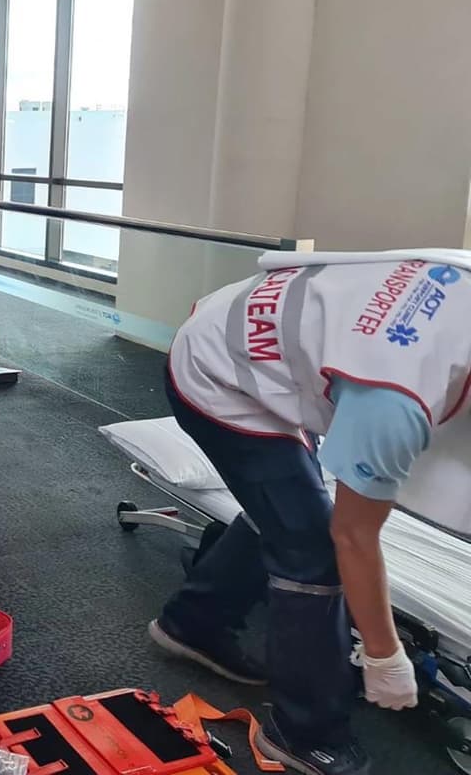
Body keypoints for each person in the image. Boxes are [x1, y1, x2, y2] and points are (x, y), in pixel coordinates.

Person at [145, 252, 471, 775]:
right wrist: (385, 657)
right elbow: (353, 538)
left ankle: (192, 622)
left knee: (285, 505)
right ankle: (306, 733)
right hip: (218, 372)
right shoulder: (395, 398)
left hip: (272, 335)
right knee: (313, 547)